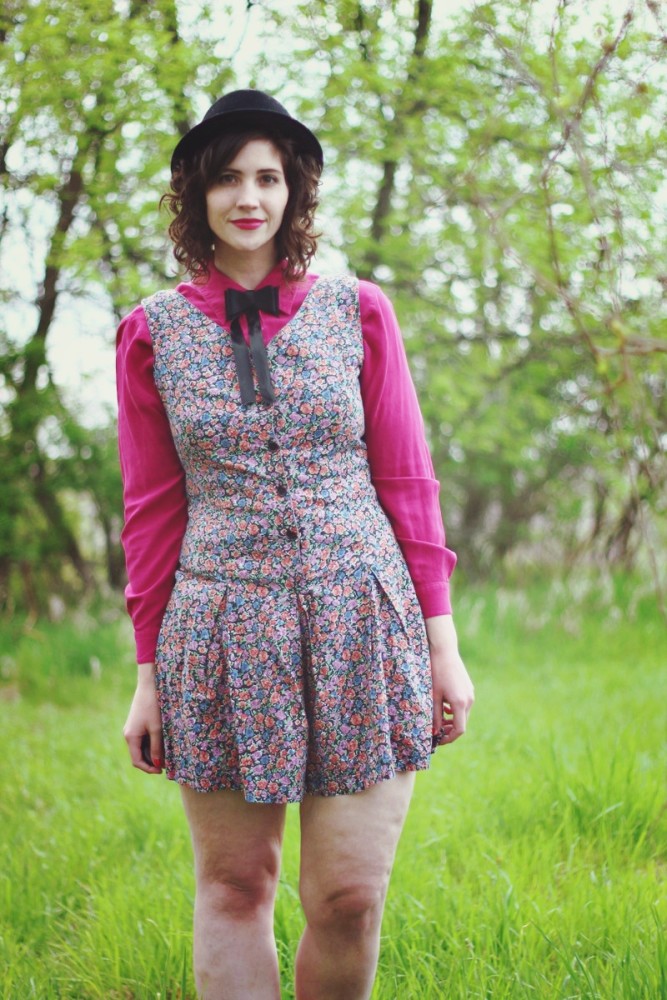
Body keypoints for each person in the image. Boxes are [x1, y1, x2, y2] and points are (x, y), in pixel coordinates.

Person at [116, 88, 474, 1000]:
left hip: (362, 616)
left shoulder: (359, 309)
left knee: (348, 894)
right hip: (221, 628)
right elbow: (152, 508)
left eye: (269, 177)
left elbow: (407, 479)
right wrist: (148, 672)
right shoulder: (149, 332)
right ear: (196, 193)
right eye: (228, 176)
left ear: (295, 193)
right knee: (237, 885)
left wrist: (443, 645)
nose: (249, 196)